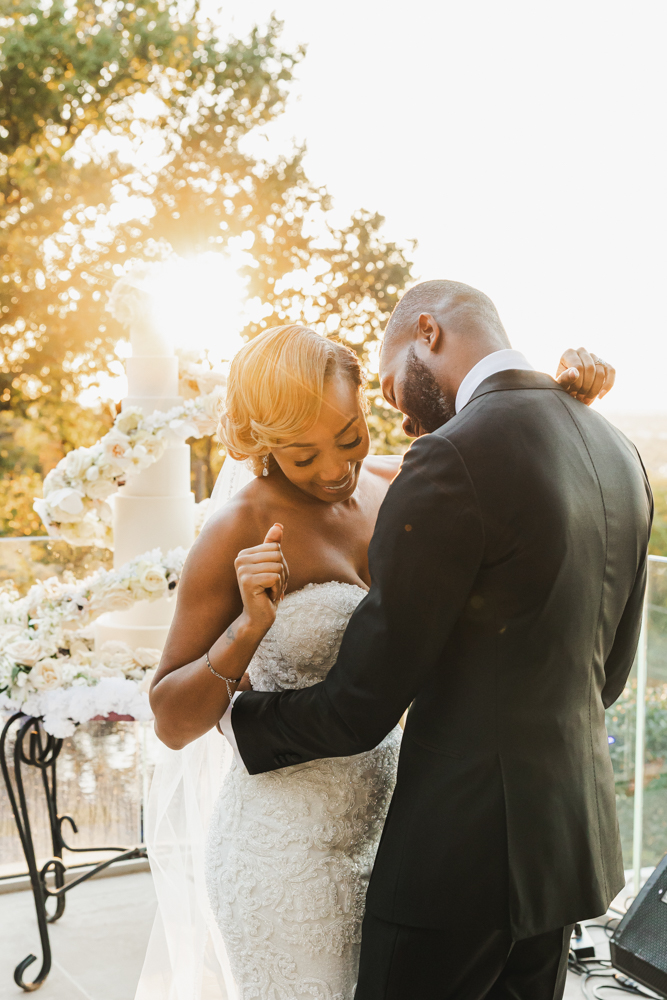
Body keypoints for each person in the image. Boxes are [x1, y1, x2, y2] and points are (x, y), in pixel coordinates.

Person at [149, 305, 625, 1000]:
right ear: (260, 444)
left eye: (348, 437)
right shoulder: (235, 530)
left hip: (398, 832)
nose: (333, 469)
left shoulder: (399, 481)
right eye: (302, 455)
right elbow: (170, 719)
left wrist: (563, 398)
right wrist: (245, 629)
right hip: (285, 846)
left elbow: (505, 463)